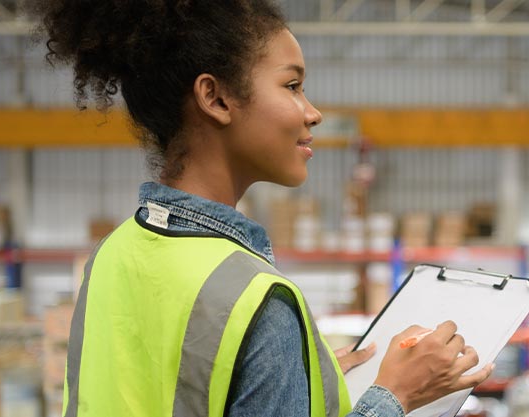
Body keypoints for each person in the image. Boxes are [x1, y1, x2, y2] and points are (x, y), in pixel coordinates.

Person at [29, 1, 494, 416]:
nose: (312, 112)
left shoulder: (110, 256)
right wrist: (394, 396)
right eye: (292, 85)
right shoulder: (254, 300)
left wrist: (295, 378)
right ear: (216, 98)